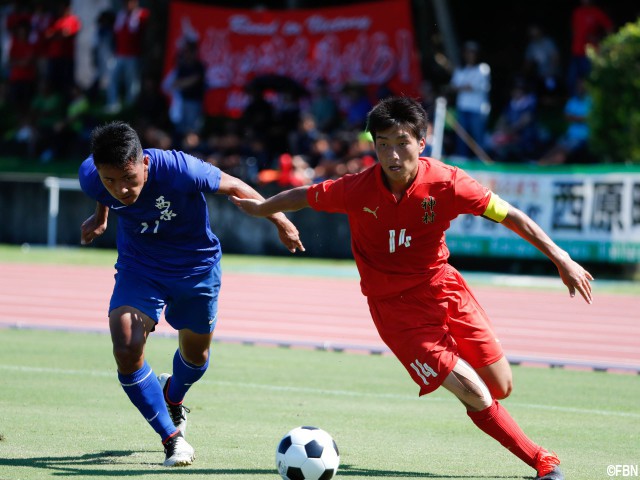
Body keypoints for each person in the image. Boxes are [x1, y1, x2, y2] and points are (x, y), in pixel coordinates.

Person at [231, 96, 594, 480]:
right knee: (474, 393)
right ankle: (542, 461)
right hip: (396, 312)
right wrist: (263, 210)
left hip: (445, 289)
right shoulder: (356, 188)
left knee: (501, 386)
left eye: (401, 142)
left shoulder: (449, 183)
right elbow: (304, 195)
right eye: (382, 144)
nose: (391, 154)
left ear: (421, 143)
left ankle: (452, 361)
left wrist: (561, 258)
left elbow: (511, 216)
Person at [78, 121, 304, 467]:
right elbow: (102, 193)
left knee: (196, 357)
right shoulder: (92, 176)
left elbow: (235, 186)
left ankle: (173, 395)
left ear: (144, 163)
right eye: (110, 181)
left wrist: (281, 221)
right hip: (141, 268)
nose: (121, 190)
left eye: (128, 179)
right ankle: (173, 439)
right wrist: (100, 216)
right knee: (125, 346)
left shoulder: (180, 169)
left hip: (196, 269)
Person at [448, 41, 491, 158]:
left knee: (478, 137)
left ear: (477, 54)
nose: (469, 54)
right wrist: (463, 86)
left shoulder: (483, 68)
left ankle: (482, 159)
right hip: (462, 107)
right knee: (462, 136)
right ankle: (462, 158)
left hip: (478, 108)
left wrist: (460, 87)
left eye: (472, 52)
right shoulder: (461, 69)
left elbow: (471, 87)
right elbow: (452, 87)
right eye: (467, 52)